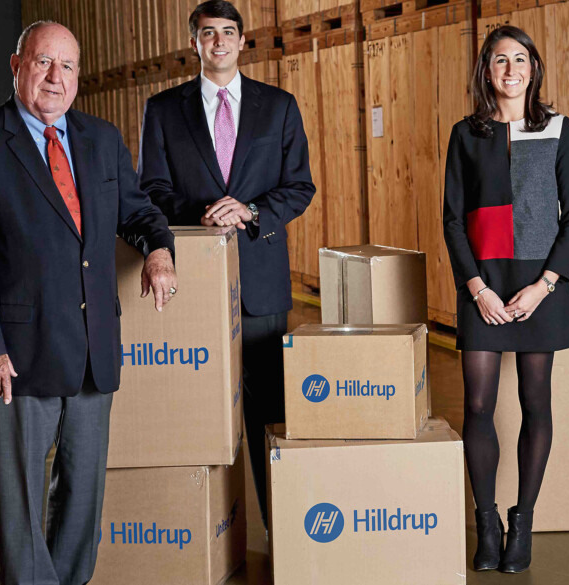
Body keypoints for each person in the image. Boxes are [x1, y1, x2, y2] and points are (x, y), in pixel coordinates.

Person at [0, 22, 177, 584]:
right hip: (15, 359)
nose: (55, 78)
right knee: (20, 508)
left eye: (67, 67)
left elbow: (138, 213)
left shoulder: (100, 139)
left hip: (93, 353)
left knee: (82, 504)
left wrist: (160, 251)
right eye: (44, 62)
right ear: (18, 64)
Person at [137, 0, 315, 525]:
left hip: (259, 282)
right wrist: (202, 213)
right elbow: (150, 189)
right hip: (192, 277)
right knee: (195, 407)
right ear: (193, 43)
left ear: (243, 41)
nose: (218, 41)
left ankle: (277, 522)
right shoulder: (163, 110)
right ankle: (208, 525)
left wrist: (253, 209)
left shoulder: (278, 106)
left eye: (228, 32)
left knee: (267, 409)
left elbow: (300, 185)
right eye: (208, 33)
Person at [442, 25, 569, 574]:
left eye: (519, 59)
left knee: (535, 403)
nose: (510, 69)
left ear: (533, 67)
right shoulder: (465, 134)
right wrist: (476, 287)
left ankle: (522, 522)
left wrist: (545, 285)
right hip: (482, 281)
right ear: (487, 71)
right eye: (500, 60)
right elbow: (453, 219)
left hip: (538, 284)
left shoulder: (556, 129)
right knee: (477, 406)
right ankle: (486, 522)